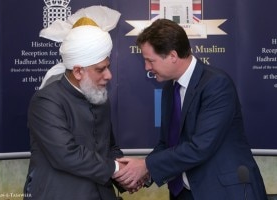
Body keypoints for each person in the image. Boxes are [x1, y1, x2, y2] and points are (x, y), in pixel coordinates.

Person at [113, 19, 268, 200]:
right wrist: (141, 174)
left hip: (223, 192)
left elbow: (200, 147)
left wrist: (146, 165)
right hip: (184, 193)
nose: (147, 67)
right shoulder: (170, 89)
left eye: (149, 60)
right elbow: (167, 144)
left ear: (172, 56)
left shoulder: (216, 84)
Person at [23, 6, 126, 200]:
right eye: (100, 69)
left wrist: (128, 174)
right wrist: (116, 168)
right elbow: (67, 155)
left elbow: (108, 147)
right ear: (78, 71)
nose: (109, 75)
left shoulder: (99, 97)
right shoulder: (46, 101)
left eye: (108, 67)